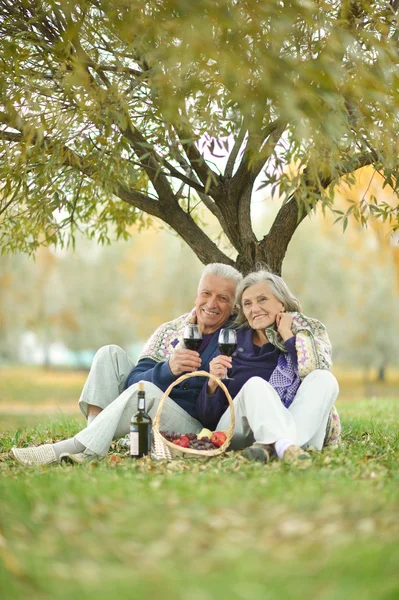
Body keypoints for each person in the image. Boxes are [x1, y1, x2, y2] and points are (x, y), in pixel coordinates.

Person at [11, 263, 242, 466]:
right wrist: (168, 369)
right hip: (150, 414)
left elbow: (219, 407)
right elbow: (133, 380)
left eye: (223, 298)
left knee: (146, 391)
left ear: (233, 307)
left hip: (190, 427)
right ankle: (93, 442)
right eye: (206, 293)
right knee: (108, 353)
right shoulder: (171, 330)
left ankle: (67, 448)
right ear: (196, 296)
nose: (212, 303)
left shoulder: (234, 340)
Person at [196, 269, 341, 463]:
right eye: (247, 303)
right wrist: (212, 383)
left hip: (297, 426)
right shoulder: (232, 343)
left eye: (262, 299)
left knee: (324, 378)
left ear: (281, 303)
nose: (254, 308)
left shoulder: (304, 337)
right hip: (238, 430)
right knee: (255, 385)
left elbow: (310, 372)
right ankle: (284, 445)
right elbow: (208, 418)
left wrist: (288, 336)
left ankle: (278, 447)